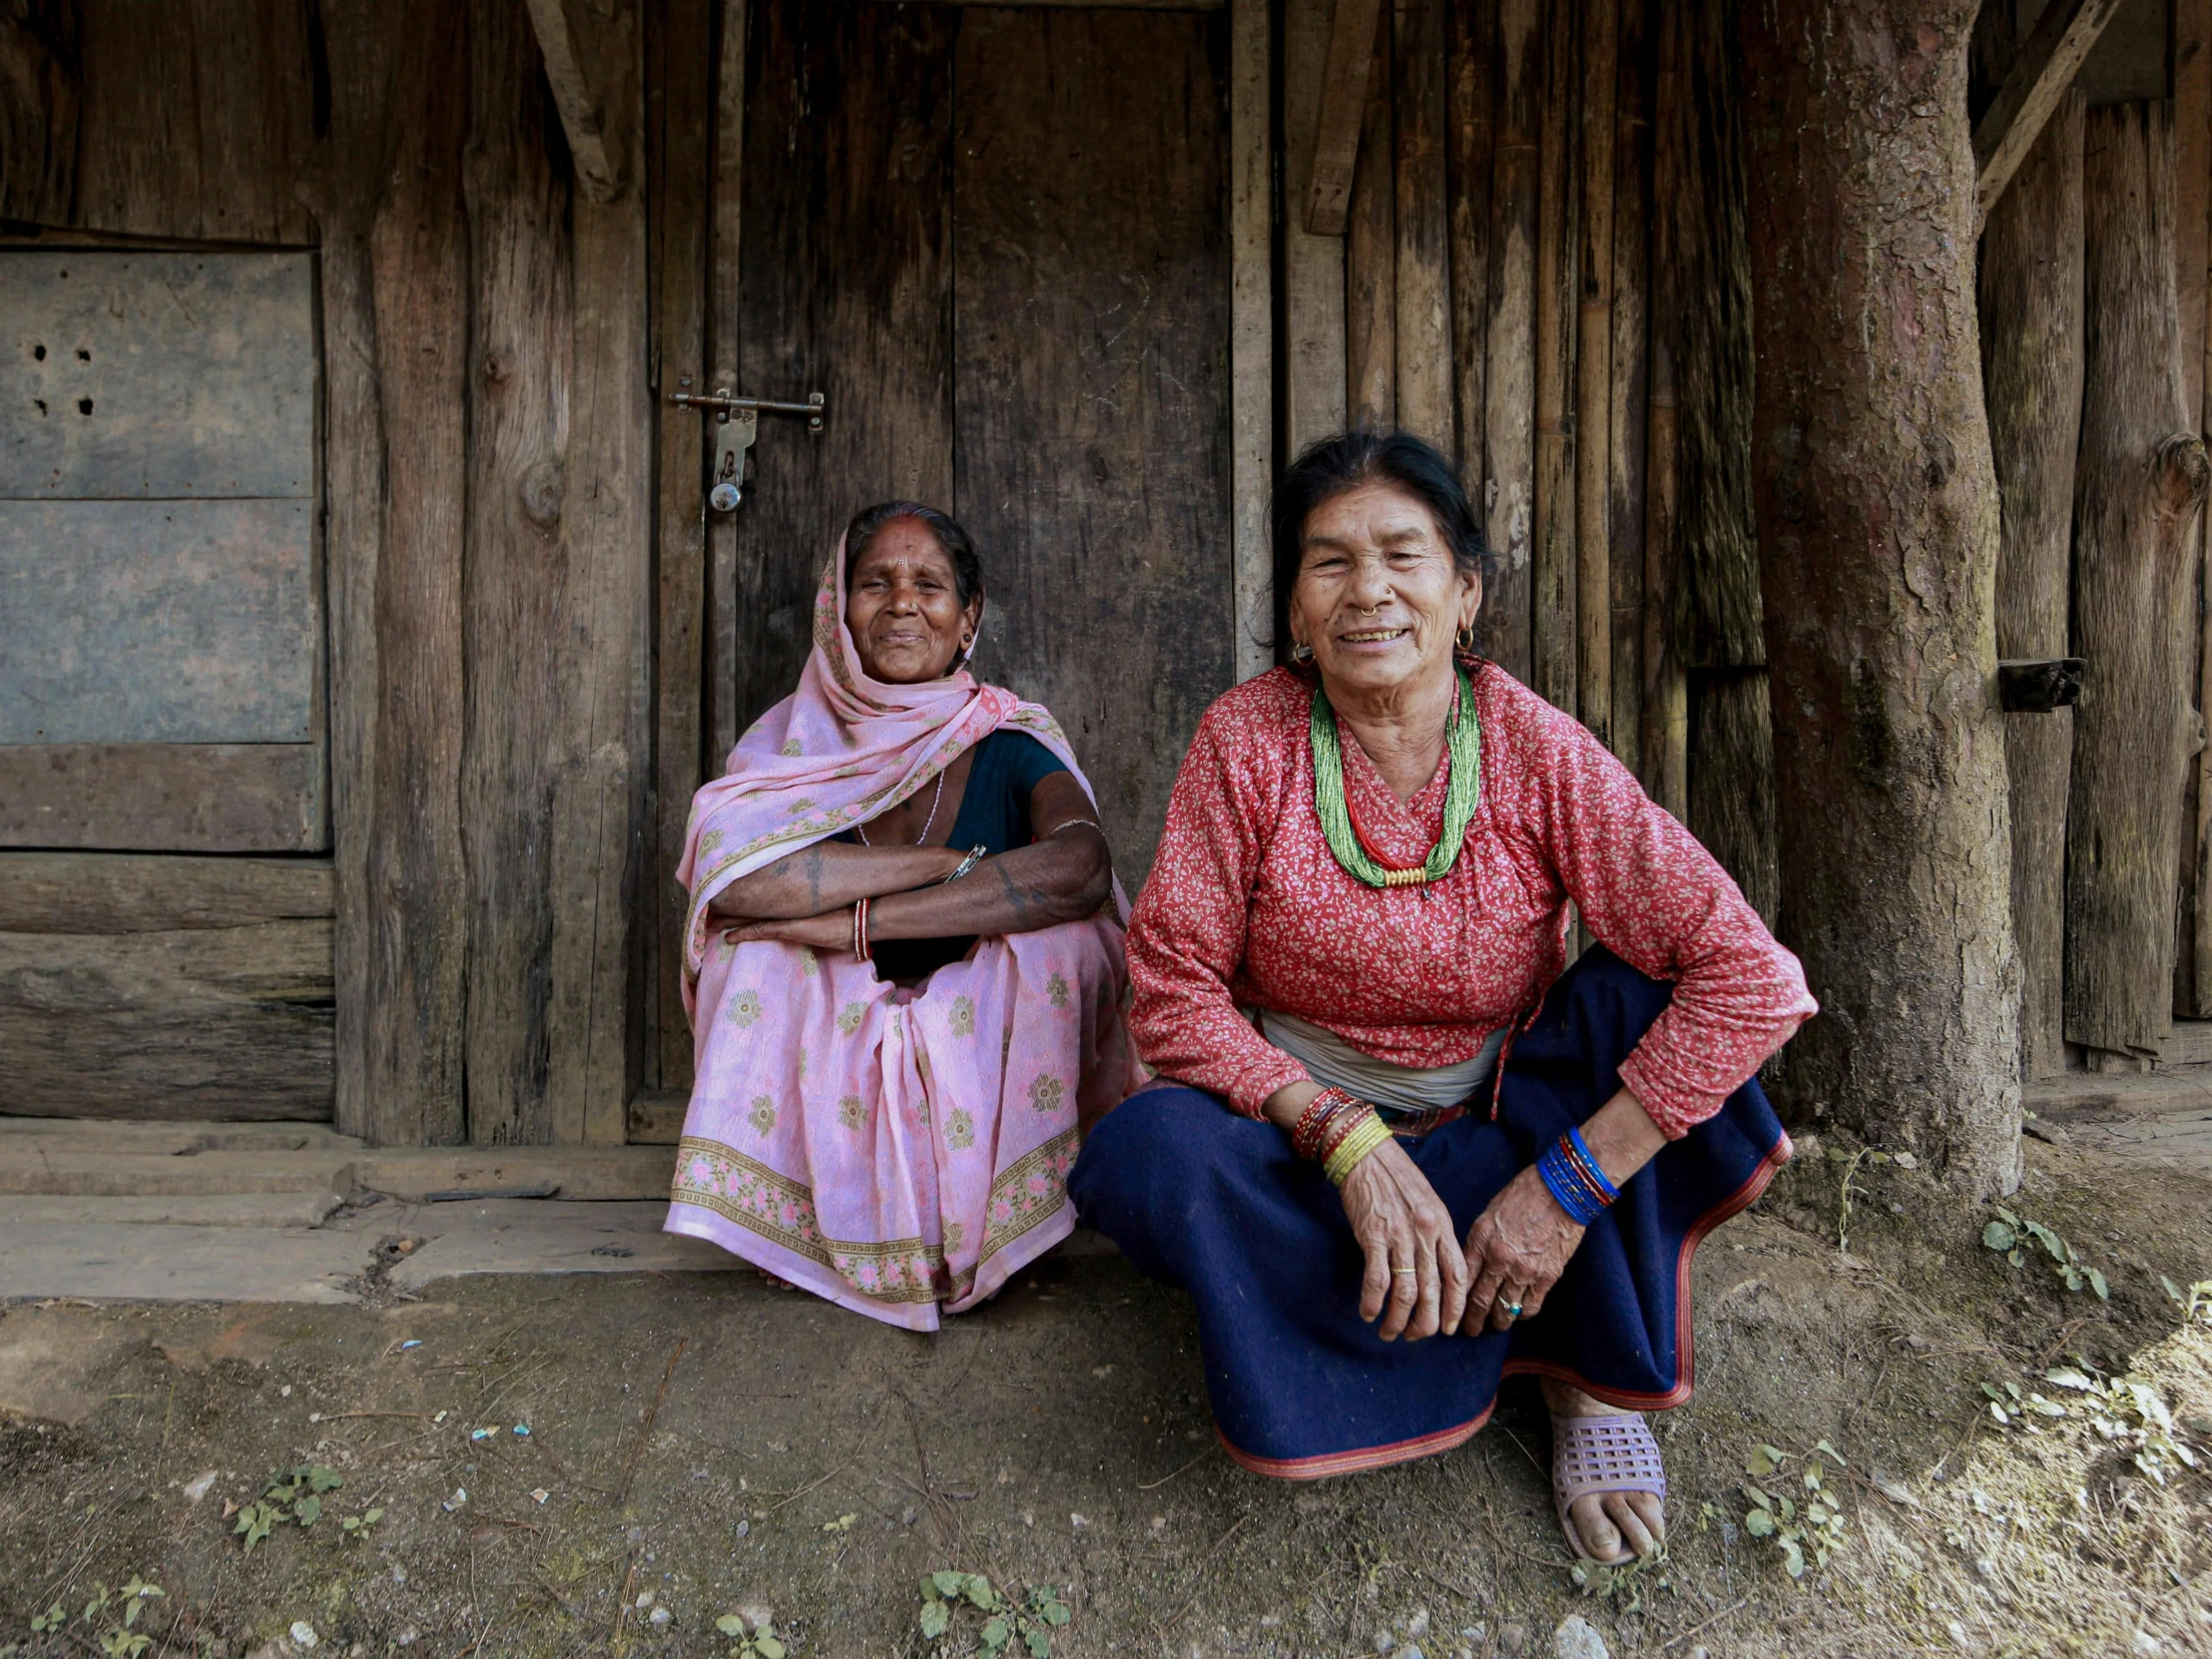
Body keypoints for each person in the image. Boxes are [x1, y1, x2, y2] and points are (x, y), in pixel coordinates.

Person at [1068, 431, 1817, 1564]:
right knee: (1149, 1155)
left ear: (1463, 593)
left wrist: (1562, 1188)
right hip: (1298, 1145)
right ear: (1296, 607)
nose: (1366, 589)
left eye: (1400, 556)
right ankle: (1485, 1314)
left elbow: (1751, 978)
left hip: (1501, 1137)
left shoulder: (1529, 746)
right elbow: (1171, 988)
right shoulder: (1246, 740)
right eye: (1328, 563)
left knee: (1636, 1001)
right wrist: (1342, 1139)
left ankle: (1583, 1374)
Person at [667, 501, 1142, 1331]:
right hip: (837, 1011)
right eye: (873, 583)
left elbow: (1080, 868)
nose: (901, 603)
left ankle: (1007, 1223)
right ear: (837, 612)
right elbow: (737, 881)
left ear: (969, 619)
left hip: (978, 1005)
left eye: (930, 585)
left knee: (1075, 944)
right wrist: (946, 867)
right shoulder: (790, 747)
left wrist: (857, 922)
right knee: (751, 953)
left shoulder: (1009, 738)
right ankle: (805, 1228)